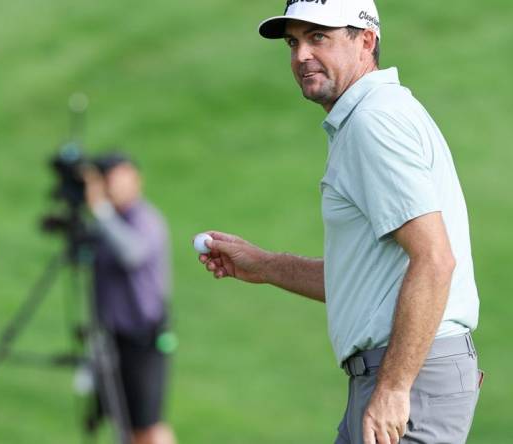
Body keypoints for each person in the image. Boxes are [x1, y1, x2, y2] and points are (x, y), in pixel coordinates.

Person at [197, 1, 483, 443]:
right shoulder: (371, 117)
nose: (300, 56)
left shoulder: (374, 123)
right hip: (395, 373)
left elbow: (434, 259)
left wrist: (393, 388)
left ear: (366, 40)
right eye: (294, 42)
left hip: (408, 377)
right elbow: (367, 282)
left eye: (319, 37)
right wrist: (264, 265)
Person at [83, 152, 176, 444]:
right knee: (122, 424)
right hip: (112, 338)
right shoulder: (104, 225)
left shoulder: (145, 219)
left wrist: (100, 212)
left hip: (143, 338)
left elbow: (132, 253)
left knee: (147, 425)